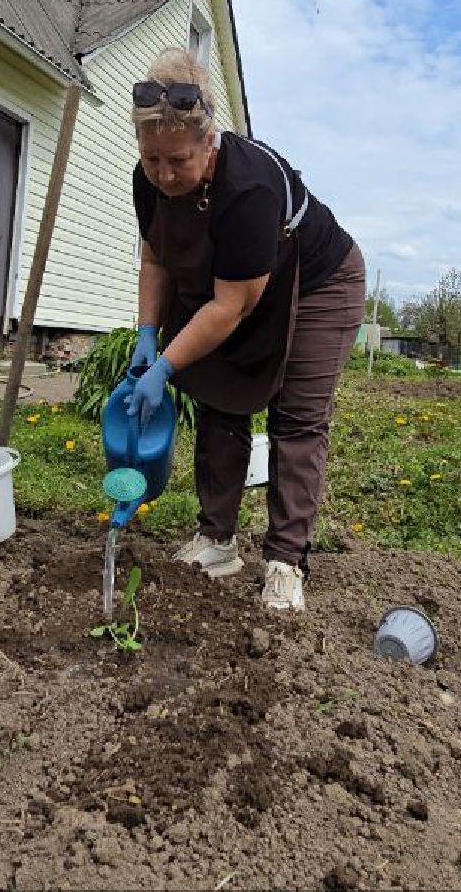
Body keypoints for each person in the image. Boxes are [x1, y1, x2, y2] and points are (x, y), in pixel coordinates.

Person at [124, 48, 366, 612]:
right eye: (152, 158)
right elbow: (156, 261)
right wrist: (146, 337)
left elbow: (231, 308)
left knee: (297, 419)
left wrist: (165, 366)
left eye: (177, 160)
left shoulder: (250, 187)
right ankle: (216, 541)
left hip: (316, 285)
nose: (163, 173)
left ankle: (285, 560)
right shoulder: (150, 180)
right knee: (219, 397)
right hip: (235, 287)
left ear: (210, 143)